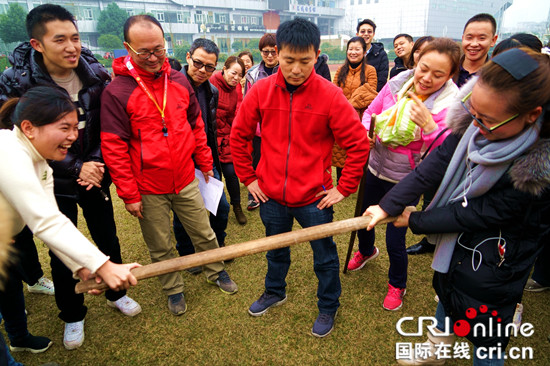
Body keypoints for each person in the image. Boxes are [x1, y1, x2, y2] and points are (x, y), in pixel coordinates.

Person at [365, 47, 550, 366]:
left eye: (487, 120)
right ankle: (437, 348)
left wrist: (417, 220)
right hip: (459, 241)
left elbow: (480, 213)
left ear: (531, 115)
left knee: (485, 323)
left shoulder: (538, 172)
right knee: (448, 283)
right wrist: (386, 206)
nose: (475, 126)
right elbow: (435, 164)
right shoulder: (473, 120)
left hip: (501, 257)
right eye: (473, 112)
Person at [0, 4, 142, 350]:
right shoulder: (9, 153)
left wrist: (83, 269)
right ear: (29, 127)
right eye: (63, 128)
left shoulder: (41, 163)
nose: (73, 135)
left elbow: (51, 229)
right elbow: (48, 220)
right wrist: (104, 267)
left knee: (102, 235)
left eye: (75, 38)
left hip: (78, 187)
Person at [231, 18, 369, 338]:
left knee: (324, 257)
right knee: (275, 250)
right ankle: (275, 291)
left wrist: (343, 188)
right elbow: (239, 136)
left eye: (305, 61)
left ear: (317, 55)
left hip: (314, 199)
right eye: (289, 60)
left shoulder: (330, 95)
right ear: (277, 53)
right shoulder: (261, 90)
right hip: (270, 195)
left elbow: (358, 145)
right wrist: (249, 178)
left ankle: (328, 305)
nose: (296, 69)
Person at [100, 15, 238, 316]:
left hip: (186, 178)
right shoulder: (117, 92)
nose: (152, 58)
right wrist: (129, 194)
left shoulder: (177, 80)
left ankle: (216, 271)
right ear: (127, 48)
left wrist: (204, 163)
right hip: (148, 187)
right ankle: (173, 289)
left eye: (158, 50)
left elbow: (196, 125)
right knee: (160, 244)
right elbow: (114, 148)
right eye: (144, 52)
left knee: (203, 231)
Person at [348, 38, 460, 311]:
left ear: (450, 76)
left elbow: (443, 153)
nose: (427, 78)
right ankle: (365, 251)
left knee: (394, 236)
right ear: (416, 61)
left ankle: (397, 284)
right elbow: (372, 111)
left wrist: (430, 126)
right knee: (364, 217)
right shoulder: (398, 81)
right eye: (424, 68)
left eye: (438, 74)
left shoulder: (451, 105)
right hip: (375, 166)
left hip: (407, 179)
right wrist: (367, 131)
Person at [172, 38, 231, 270]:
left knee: (221, 206)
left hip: (206, 159)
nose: (202, 70)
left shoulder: (211, 90)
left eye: (209, 67)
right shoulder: (173, 86)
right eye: (198, 63)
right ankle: (187, 255)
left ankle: (218, 248)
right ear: (188, 57)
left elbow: (208, 127)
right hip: (182, 162)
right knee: (182, 214)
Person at [332, 36, 378, 182]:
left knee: (357, 149)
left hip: (360, 117)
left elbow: (369, 93)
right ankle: (341, 180)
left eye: (357, 49)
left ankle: (357, 180)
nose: (353, 52)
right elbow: (334, 92)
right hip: (341, 117)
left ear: (364, 52)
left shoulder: (370, 70)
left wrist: (349, 104)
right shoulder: (340, 70)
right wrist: (345, 106)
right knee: (340, 148)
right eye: (350, 49)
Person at [243, 33, 279, 211]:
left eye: (274, 51)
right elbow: (247, 104)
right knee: (257, 163)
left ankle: (276, 193)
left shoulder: (286, 71)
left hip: (280, 129)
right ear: (260, 52)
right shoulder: (252, 74)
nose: (270, 55)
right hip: (259, 130)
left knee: (277, 163)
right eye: (266, 52)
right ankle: (254, 195)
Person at [210, 56, 247, 225]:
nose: (236, 78)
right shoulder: (210, 83)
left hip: (226, 138)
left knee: (231, 173)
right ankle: (215, 210)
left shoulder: (235, 89)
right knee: (213, 178)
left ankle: (237, 206)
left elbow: (234, 115)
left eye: (240, 75)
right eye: (233, 73)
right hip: (210, 140)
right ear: (224, 69)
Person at [455, 13, 498, 87]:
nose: (474, 44)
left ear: (493, 40)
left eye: (482, 38)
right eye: (469, 38)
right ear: (462, 38)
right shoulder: (450, 67)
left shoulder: (496, 75)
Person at [356, 19, 389, 92]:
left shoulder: (381, 54)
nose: (366, 34)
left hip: (373, 97)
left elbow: (381, 81)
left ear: (373, 34)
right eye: (362, 31)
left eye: (369, 31)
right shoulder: (353, 54)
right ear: (357, 34)